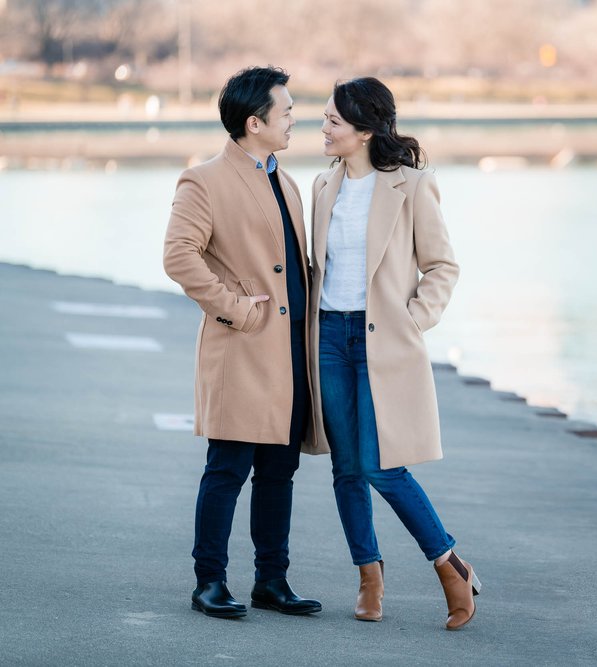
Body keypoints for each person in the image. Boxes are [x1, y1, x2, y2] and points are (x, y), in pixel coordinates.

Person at [309, 77, 480, 630]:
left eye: (334, 121)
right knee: (345, 468)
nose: (324, 129)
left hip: (384, 339)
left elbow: (442, 266)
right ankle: (369, 575)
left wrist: (413, 320)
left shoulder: (411, 184)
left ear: (363, 130)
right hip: (330, 337)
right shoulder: (320, 187)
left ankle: (447, 563)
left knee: (381, 466)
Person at [163, 66, 321, 618]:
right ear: (255, 123)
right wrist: (234, 309)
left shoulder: (288, 181)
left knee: (280, 471)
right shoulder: (203, 180)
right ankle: (209, 582)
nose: (295, 119)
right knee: (227, 469)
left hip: (291, 352)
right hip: (243, 348)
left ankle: (271, 581)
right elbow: (179, 257)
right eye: (287, 112)